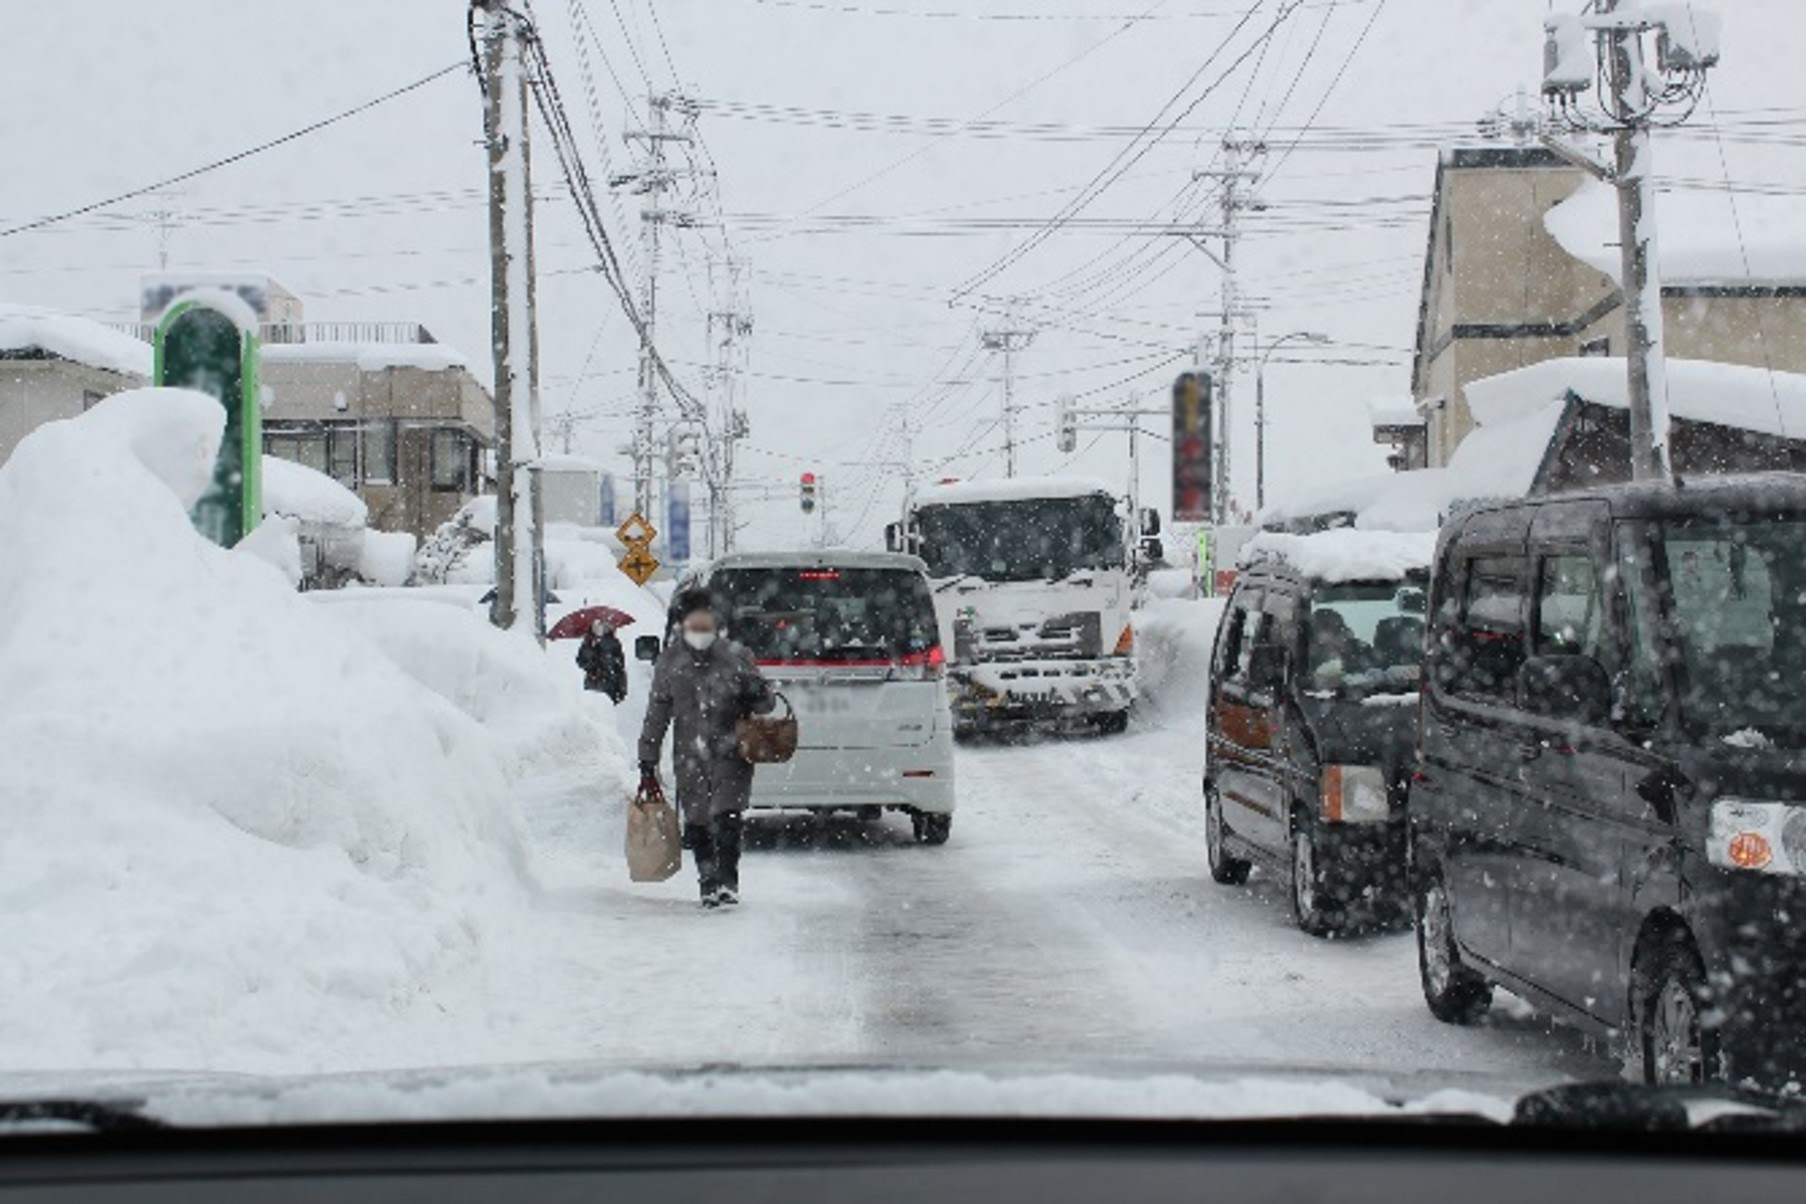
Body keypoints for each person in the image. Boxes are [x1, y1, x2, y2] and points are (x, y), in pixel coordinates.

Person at [637, 589, 775, 908]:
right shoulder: (670, 660)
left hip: (731, 753)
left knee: (727, 817)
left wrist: (756, 691)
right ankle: (707, 881)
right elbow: (656, 712)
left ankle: (728, 880)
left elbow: (765, 704)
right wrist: (647, 758)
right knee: (698, 820)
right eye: (693, 619)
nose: (700, 626)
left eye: (706, 618)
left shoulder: (737, 655)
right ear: (683, 623)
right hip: (689, 755)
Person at [576, 619, 628, 704]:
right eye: (596, 626)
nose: (599, 629)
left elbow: (616, 664)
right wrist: (591, 662)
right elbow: (581, 661)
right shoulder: (588, 642)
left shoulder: (612, 643)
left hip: (608, 685)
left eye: (602, 626)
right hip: (593, 684)